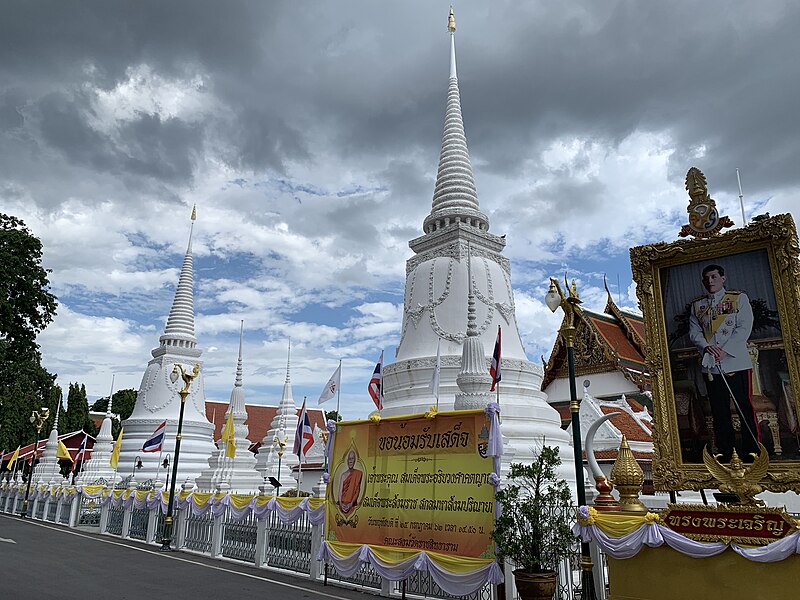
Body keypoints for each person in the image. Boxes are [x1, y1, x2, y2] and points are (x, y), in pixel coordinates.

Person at [688, 264, 760, 462]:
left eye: (713, 277)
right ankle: (725, 451)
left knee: (744, 406)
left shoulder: (738, 299)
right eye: (706, 278)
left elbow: (744, 327)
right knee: (719, 410)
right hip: (711, 364)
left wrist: (724, 350)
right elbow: (694, 332)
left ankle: (752, 450)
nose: (709, 281)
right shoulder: (698, 306)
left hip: (735, 361)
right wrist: (707, 347)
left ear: (723, 278)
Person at [338, 449, 363, 515]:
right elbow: (340, 492)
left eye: (352, 459)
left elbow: (357, 491)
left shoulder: (358, 473)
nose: (350, 461)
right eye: (349, 459)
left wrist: (351, 504)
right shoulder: (343, 475)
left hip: (352, 505)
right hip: (342, 505)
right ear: (347, 460)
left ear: (354, 461)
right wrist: (341, 504)